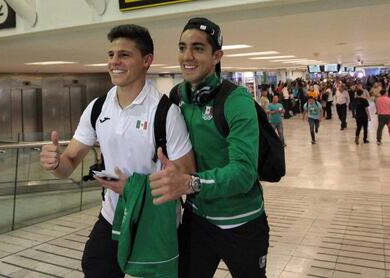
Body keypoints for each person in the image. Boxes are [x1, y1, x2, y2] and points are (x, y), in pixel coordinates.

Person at [40, 24, 195, 278]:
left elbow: (188, 177)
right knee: (95, 267)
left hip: (153, 221)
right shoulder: (98, 108)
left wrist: (134, 188)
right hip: (113, 216)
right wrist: (55, 163)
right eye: (111, 55)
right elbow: (68, 163)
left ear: (147, 61)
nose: (114, 62)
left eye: (124, 55)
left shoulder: (166, 113)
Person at [150, 17, 270, 278]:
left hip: (242, 223)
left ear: (217, 56)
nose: (187, 56)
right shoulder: (178, 96)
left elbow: (243, 173)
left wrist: (191, 183)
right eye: (182, 47)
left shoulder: (236, 101)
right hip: (197, 220)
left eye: (198, 48)